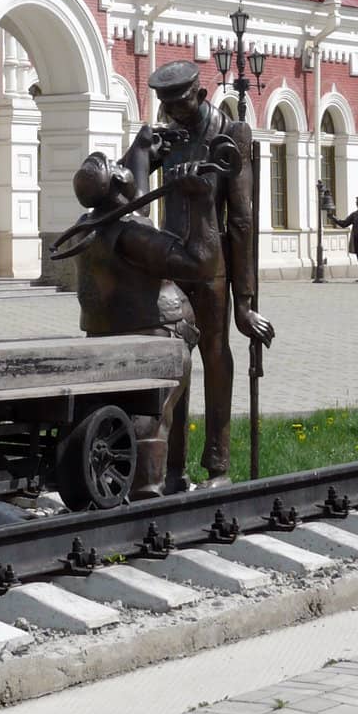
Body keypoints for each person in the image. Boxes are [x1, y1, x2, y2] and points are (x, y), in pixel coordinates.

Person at [147, 59, 275, 488]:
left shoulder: (229, 134)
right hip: (170, 265)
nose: (173, 113)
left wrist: (246, 304)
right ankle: (171, 467)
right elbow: (126, 184)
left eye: (180, 104)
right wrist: (144, 148)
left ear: (200, 95)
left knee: (215, 359)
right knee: (171, 362)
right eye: (166, 106)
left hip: (212, 268)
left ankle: (218, 465)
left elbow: (240, 220)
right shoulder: (168, 134)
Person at [64, 122, 205, 497]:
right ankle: (150, 488)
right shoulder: (132, 234)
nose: (124, 163)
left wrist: (142, 148)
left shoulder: (88, 225)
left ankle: (171, 477)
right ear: (117, 183)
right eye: (118, 164)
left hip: (111, 332)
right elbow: (198, 263)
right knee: (156, 417)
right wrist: (198, 201)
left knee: (164, 413)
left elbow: (134, 193)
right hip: (158, 337)